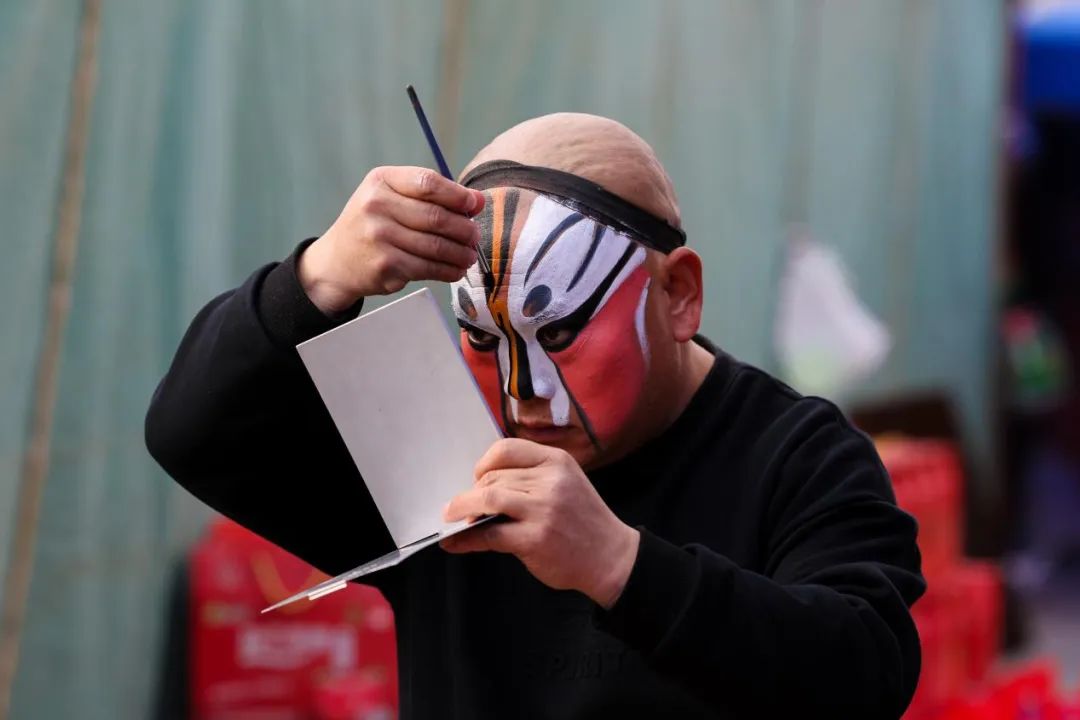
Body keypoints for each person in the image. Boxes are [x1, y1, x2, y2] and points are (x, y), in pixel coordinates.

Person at [146, 113, 925, 719]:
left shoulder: (796, 454)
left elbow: (865, 677)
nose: (525, 394)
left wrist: (621, 567)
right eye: (485, 339)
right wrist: (316, 277)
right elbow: (196, 432)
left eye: (558, 334)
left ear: (678, 295)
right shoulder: (447, 450)